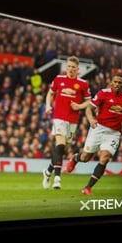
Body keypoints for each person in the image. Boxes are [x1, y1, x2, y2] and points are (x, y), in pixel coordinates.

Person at [63, 73, 122, 195]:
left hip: (114, 133)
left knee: (105, 157)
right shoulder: (103, 93)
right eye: (115, 82)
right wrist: (91, 119)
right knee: (85, 157)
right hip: (98, 128)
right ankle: (75, 158)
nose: (117, 84)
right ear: (111, 83)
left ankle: (87, 188)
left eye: (120, 82)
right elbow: (89, 108)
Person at [42, 56, 91, 189]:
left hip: (73, 120)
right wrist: (48, 106)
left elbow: (89, 101)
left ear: (77, 69)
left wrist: (79, 106)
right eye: (68, 66)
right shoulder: (59, 79)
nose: (70, 69)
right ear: (66, 67)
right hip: (58, 117)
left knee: (62, 149)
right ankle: (57, 178)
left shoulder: (83, 83)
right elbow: (50, 93)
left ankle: (48, 171)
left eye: (73, 67)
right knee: (60, 145)